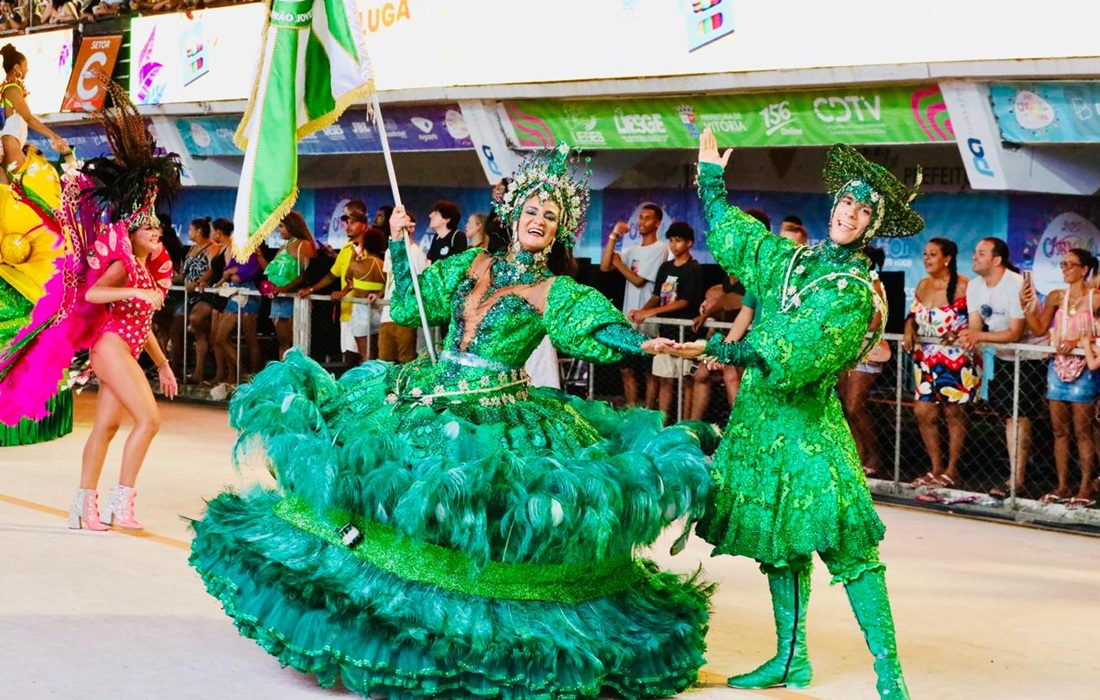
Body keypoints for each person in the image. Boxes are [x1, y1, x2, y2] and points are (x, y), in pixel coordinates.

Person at [189, 145, 714, 699]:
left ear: (559, 231)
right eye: (532, 210)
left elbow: (599, 330)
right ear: (513, 215)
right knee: (383, 488)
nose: (538, 221)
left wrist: (648, 344)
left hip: (495, 414)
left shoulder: (555, 291)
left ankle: (457, 633)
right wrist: (398, 246)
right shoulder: (472, 264)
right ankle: (371, 616)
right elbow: (410, 308)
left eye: (550, 216)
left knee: (473, 511)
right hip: (427, 392)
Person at [668, 128, 923, 698]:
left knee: (851, 551)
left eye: (864, 210)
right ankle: (790, 661)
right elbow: (738, 237)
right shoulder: (793, 259)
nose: (850, 213)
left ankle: (891, 678)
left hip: (809, 431)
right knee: (777, 546)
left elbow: (797, 352)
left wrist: (718, 348)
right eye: (847, 201)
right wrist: (711, 180)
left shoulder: (854, 290)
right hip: (761, 425)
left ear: (872, 226)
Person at [958, 237, 1046, 499]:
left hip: (1029, 356)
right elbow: (975, 326)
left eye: (981, 253)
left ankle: (1017, 479)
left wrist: (977, 337)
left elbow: (1015, 333)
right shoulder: (974, 286)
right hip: (1002, 356)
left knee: (1019, 415)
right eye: (975, 252)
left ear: (996, 260)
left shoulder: (1016, 284)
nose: (974, 257)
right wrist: (969, 336)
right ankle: (1017, 473)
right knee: (1010, 415)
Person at [1024, 249, 1099, 509]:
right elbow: (1039, 328)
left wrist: (1079, 341)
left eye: (1070, 264)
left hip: (1086, 369)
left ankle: (1085, 486)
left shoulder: (1095, 298)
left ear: (1084, 269)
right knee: (1059, 430)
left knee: (1083, 430)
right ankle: (1063, 485)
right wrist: (1026, 307)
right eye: (1062, 264)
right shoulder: (1057, 296)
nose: (1064, 268)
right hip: (1058, 367)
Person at [902, 238, 979, 488]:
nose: (926, 259)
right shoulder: (923, 284)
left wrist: (959, 333)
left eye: (932, 254)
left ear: (947, 258)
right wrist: (908, 329)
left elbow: (978, 323)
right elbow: (913, 315)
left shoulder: (964, 286)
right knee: (923, 411)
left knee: (953, 413)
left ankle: (952, 470)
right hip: (926, 358)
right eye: (925, 254)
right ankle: (935, 467)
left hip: (956, 360)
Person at [628, 221, 704, 423]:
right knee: (664, 378)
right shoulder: (665, 267)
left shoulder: (693, 269)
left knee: (687, 380)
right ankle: (661, 422)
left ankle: (685, 423)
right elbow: (656, 296)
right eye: (671, 240)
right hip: (666, 331)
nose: (673, 245)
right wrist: (642, 311)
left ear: (689, 242)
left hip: (686, 333)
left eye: (678, 240)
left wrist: (651, 312)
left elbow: (684, 302)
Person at [600, 203, 669, 407]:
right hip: (628, 318)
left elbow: (638, 280)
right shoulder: (631, 250)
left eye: (648, 218)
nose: (642, 221)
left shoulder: (660, 249)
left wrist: (619, 264)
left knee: (648, 370)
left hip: (647, 318)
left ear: (657, 223)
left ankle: (648, 412)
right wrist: (613, 237)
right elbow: (605, 267)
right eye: (640, 217)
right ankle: (631, 409)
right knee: (626, 369)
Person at [837, 245, 890, 478]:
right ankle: (859, 453)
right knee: (847, 408)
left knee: (855, 406)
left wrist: (846, 326)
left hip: (867, 351)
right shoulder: (846, 284)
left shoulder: (874, 285)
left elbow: (874, 323)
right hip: (846, 352)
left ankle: (876, 456)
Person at [0, 45, 68, 183]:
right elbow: (29, 119)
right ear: (17, 67)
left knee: (10, 189)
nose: (27, 70)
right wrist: (54, 136)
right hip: (11, 143)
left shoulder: (10, 89)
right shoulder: (12, 90)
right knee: (17, 190)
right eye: (25, 66)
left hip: (13, 143)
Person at [265, 210, 316, 360]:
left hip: (294, 299)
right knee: (283, 343)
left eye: (281, 226)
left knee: (296, 344)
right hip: (278, 299)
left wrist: (284, 288)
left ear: (291, 226)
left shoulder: (303, 245)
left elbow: (306, 274)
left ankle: (296, 372)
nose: (279, 230)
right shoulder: (283, 247)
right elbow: (270, 270)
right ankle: (284, 371)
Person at [332, 224, 386, 361]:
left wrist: (354, 254)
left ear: (365, 245)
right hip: (379, 310)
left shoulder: (357, 265)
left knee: (365, 355)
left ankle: (367, 375)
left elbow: (347, 277)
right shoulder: (384, 266)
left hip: (361, 311)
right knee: (377, 355)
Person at [425, 199, 467, 263]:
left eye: (436, 214)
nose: (430, 215)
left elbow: (459, 264)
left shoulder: (458, 236)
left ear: (447, 219)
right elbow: (429, 260)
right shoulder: (436, 237)